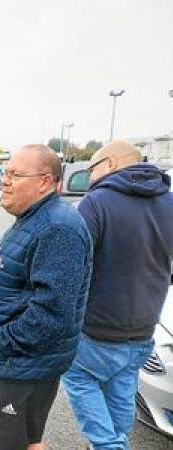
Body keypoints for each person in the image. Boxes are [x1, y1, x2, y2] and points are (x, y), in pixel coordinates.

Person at [0, 145, 92, 450]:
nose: (5, 182)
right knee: (20, 440)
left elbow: (52, 314)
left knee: (12, 444)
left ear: (45, 182)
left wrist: (2, 343)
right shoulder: (35, 218)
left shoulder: (58, 228)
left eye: (15, 175)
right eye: (6, 173)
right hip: (11, 364)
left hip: (21, 366)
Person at [62, 141, 173, 449]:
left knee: (78, 378)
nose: (90, 177)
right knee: (122, 390)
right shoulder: (170, 202)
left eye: (91, 169)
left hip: (97, 328)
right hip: (142, 329)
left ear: (109, 164)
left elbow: (70, 266)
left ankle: (108, 446)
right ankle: (117, 443)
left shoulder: (96, 203)